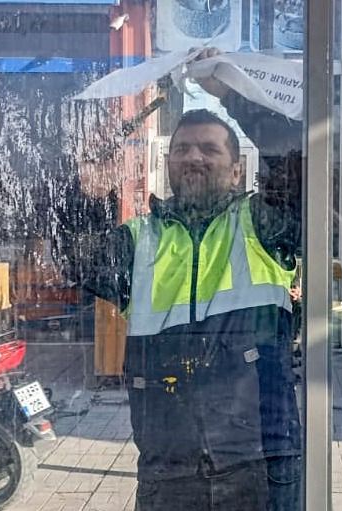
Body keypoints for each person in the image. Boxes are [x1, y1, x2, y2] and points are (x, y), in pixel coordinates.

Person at [60, 54, 303, 511]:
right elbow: (71, 259)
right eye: (182, 149)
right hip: (169, 469)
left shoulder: (261, 224)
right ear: (168, 163)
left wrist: (234, 97)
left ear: (237, 170)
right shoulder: (139, 239)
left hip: (261, 460)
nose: (194, 156)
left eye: (210, 149)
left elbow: (305, 169)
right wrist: (87, 191)